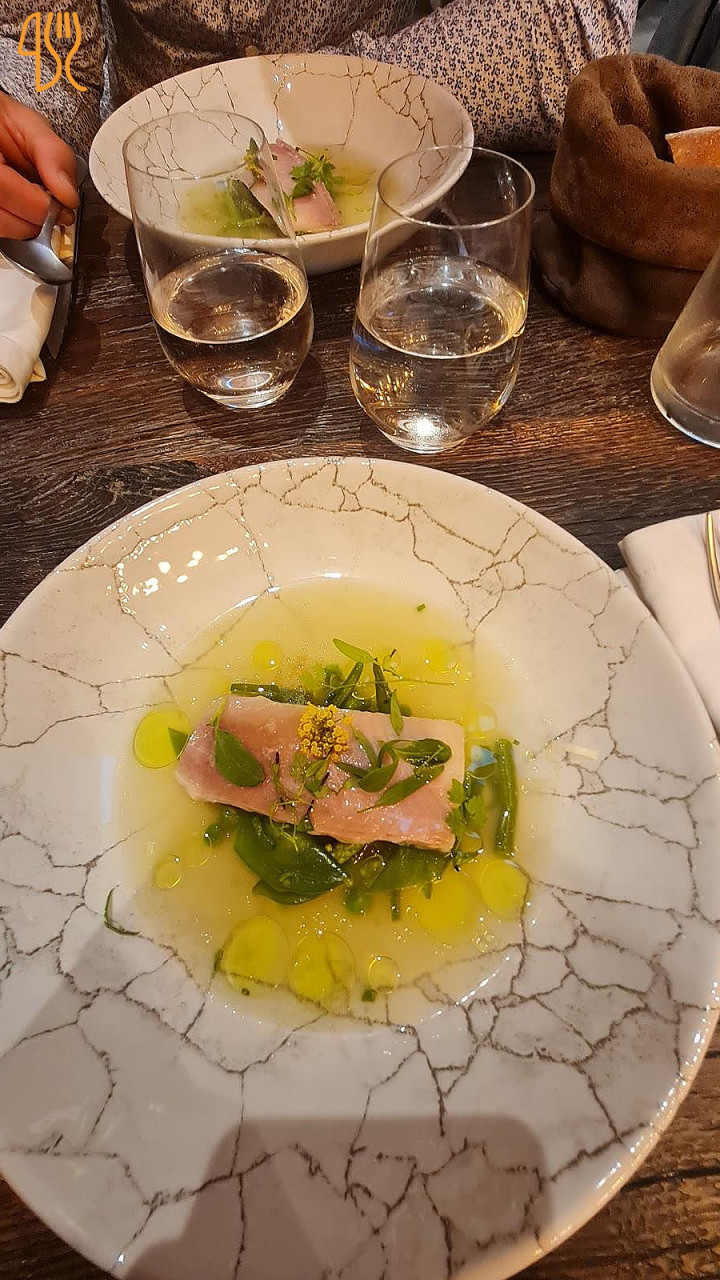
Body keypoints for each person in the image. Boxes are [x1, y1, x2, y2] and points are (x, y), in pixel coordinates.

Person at [0, 0, 637, 238]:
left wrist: (339, 95)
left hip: (414, 224)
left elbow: (573, 23)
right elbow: (41, 49)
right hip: (151, 236)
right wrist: (18, 116)